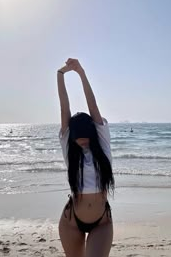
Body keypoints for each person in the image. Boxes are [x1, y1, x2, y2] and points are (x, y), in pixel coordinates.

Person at [57, 58, 115, 257]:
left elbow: (93, 106)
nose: (82, 141)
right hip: (72, 221)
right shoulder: (70, 150)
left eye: (86, 136)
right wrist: (60, 74)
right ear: (71, 136)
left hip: (102, 221)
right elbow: (65, 108)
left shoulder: (103, 147)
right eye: (77, 137)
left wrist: (81, 72)